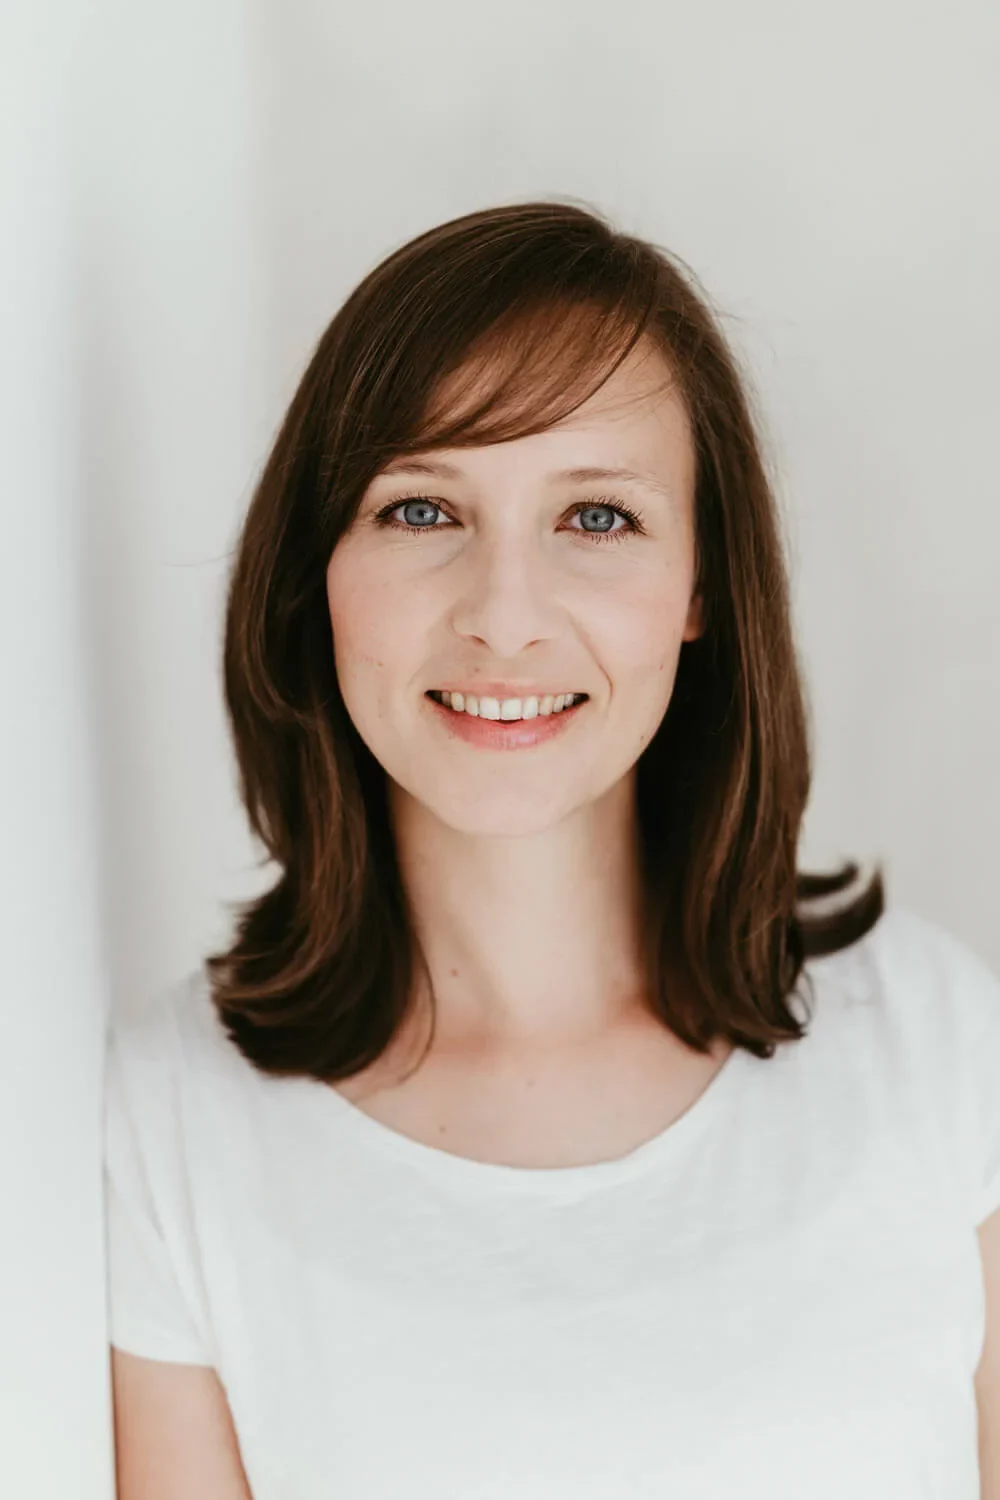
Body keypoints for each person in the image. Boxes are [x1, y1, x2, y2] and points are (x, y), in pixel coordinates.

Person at [103, 200, 1000, 1499]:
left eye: (597, 519)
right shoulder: (177, 1118)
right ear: (316, 571)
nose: (504, 618)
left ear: (703, 586)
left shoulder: (938, 1043)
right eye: (420, 510)